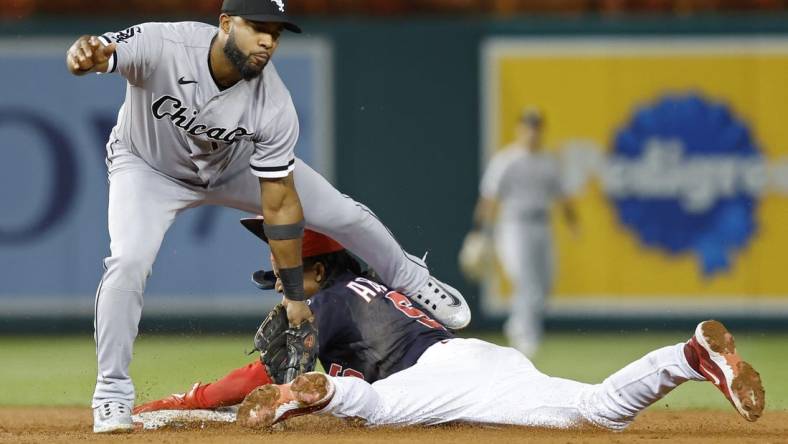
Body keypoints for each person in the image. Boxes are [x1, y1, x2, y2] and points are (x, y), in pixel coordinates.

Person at [65, 0, 470, 433]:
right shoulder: (165, 44)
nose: (266, 41)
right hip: (148, 168)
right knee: (128, 261)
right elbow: (100, 53)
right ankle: (111, 393)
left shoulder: (273, 101)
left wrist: (296, 298)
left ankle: (411, 277)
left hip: (232, 166)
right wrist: (85, 55)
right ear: (225, 23)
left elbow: (279, 204)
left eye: (275, 32)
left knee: (345, 214)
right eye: (257, 27)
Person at [135, 228, 764, 433]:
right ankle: (688, 357)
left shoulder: (323, 302)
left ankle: (323, 393)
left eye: (286, 270)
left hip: (433, 378)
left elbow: (249, 377)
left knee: (374, 408)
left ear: (318, 266)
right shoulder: (372, 288)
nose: (278, 282)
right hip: (482, 360)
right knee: (593, 411)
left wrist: (176, 404)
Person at [471, 107, 577, 357]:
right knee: (526, 281)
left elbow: (562, 196)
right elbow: (489, 198)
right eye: (528, 126)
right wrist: (479, 232)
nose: (532, 132)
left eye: (536, 127)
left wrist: (573, 223)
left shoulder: (549, 161)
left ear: (541, 130)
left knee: (545, 282)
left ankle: (517, 324)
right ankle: (525, 334)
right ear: (519, 129)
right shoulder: (506, 160)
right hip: (513, 226)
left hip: (542, 225)